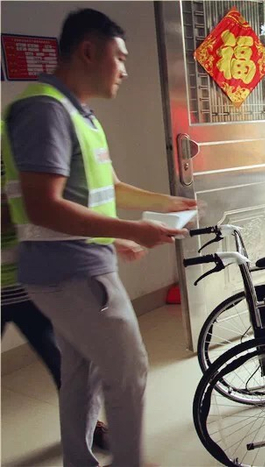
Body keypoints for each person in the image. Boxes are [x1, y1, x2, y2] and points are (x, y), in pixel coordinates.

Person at [1, 9, 197, 466]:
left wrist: (168, 203)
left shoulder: (81, 115)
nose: (125, 70)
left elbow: (112, 189)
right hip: (69, 273)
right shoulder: (45, 110)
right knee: (129, 370)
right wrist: (131, 230)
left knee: (82, 371)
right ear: (88, 51)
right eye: (120, 57)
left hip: (76, 264)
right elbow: (43, 206)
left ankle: (79, 459)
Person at [1, 157, 111, 451]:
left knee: (70, 369)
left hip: (32, 286)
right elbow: (37, 207)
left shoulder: (13, 146)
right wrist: (30, 204)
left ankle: (87, 431)